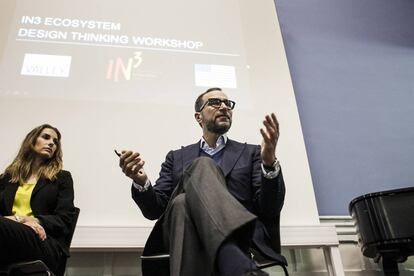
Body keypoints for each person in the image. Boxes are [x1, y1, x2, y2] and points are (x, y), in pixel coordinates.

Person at [119, 88, 286, 276]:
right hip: (180, 234)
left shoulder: (252, 153)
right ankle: (239, 267)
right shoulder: (176, 157)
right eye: (215, 102)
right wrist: (141, 181)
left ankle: (232, 257)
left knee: (183, 200)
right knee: (198, 173)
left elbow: (269, 208)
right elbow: (155, 210)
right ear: (198, 117)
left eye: (227, 103)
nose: (224, 107)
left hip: (240, 237)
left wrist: (269, 164)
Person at [0, 124, 75, 275]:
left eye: (55, 141)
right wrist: (18, 220)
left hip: (43, 242)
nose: (52, 143)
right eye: (46, 137)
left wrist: (33, 221)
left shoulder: (61, 178)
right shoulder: (7, 178)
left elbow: (64, 219)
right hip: (8, 238)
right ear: (31, 140)